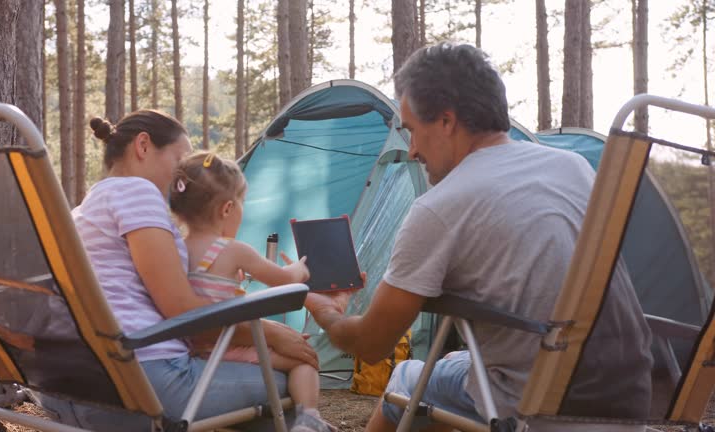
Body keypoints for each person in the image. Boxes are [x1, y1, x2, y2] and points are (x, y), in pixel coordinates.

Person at [304, 42, 653, 432]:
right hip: (629, 398)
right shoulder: (574, 167)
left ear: (447, 121)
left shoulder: (441, 205)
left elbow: (371, 345)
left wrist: (327, 312)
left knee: (407, 379)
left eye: (412, 131)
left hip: (539, 405)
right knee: (453, 365)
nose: (413, 150)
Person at [37, 109, 320, 431]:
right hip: (144, 380)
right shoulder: (137, 192)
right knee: (287, 381)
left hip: (73, 384)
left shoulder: (85, 210)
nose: (182, 178)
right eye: (179, 160)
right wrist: (269, 333)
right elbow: (179, 308)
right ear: (143, 146)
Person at [168, 151, 334, 432]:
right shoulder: (234, 250)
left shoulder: (176, 248)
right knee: (303, 360)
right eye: (243, 203)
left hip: (196, 349)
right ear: (227, 209)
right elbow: (282, 281)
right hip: (231, 346)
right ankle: (309, 417)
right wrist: (300, 271)